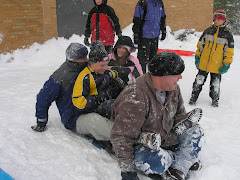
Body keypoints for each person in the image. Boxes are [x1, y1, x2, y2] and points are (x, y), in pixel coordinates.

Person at [110, 51, 204, 180]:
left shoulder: (173, 88)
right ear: (162, 75)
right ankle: (184, 159)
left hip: (167, 137)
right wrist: (128, 171)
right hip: (147, 145)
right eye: (176, 74)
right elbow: (121, 136)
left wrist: (183, 120)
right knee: (150, 161)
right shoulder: (136, 96)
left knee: (196, 131)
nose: (180, 78)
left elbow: (178, 114)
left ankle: (178, 169)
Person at [31, 42, 114, 143]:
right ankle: (125, 136)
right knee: (95, 121)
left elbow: (105, 71)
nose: (87, 60)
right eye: (84, 58)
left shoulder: (86, 68)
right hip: (75, 117)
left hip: (93, 106)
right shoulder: (60, 78)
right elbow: (43, 98)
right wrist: (41, 121)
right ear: (75, 60)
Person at [72, 40, 125, 140]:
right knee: (114, 106)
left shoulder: (105, 72)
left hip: (105, 102)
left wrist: (120, 82)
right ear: (92, 64)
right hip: (93, 108)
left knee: (124, 100)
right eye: (102, 65)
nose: (105, 67)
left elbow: (113, 74)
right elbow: (78, 103)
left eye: (106, 64)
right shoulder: (85, 78)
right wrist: (99, 98)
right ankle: (125, 130)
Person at [189, 10, 234, 107]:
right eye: (215, 19)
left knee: (215, 84)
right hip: (204, 63)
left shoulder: (228, 35)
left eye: (218, 19)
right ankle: (193, 98)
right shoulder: (208, 31)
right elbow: (200, 46)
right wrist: (198, 57)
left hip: (217, 66)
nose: (216, 21)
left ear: (223, 21)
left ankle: (215, 100)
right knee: (198, 82)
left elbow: (229, 52)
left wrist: (226, 64)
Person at [132, 0, 167, 73]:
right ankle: (141, 78)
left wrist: (163, 30)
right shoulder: (143, 3)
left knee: (153, 60)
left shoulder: (160, 3)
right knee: (142, 61)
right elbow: (137, 19)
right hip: (144, 36)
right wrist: (136, 34)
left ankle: (152, 79)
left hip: (155, 36)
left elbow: (162, 17)